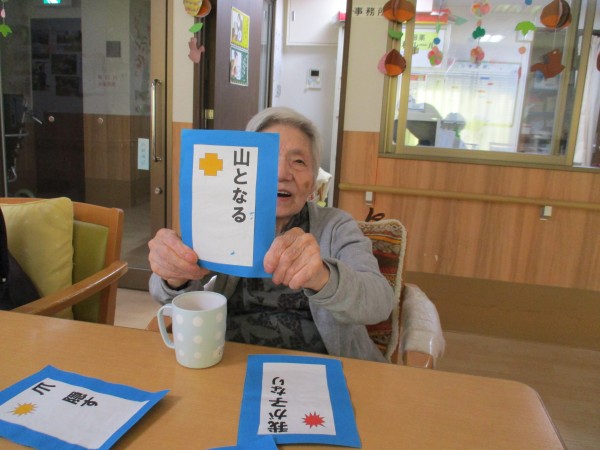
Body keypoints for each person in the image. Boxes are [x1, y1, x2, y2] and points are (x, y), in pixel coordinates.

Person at [148, 107, 395, 362]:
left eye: (298, 162)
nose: (281, 174)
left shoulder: (336, 225)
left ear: (313, 181)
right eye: (268, 157)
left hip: (322, 366)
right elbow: (164, 293)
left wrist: (322, 276)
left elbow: (379, 302)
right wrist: (174, 275)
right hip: (230, 360)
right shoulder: (225, 218)